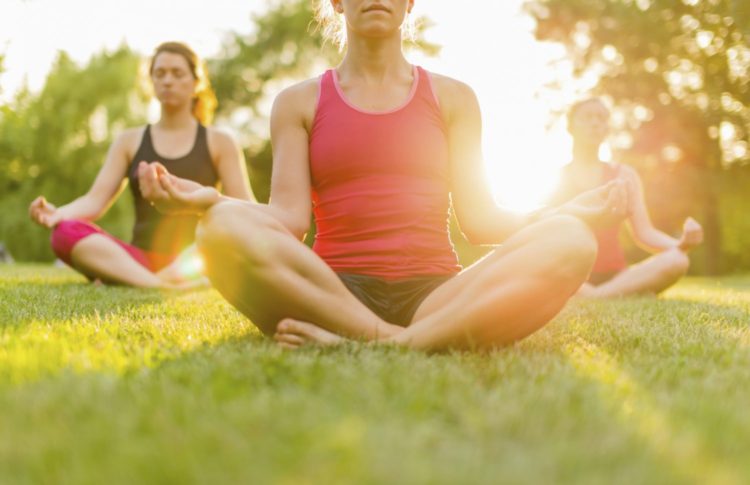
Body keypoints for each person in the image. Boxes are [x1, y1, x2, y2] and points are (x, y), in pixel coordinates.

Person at [139, 0, 627, 351]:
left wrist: (565, 211)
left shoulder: (455, 98)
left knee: (572, 239)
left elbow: (482, 220)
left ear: (410, 3)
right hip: (332, 293)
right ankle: (400, 341)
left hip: (436, 295)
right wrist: (207, 200)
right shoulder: (298, 102)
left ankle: (393, 343)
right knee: (220, 227)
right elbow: (287, 220)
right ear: (336, 3)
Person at [29, 42, 254, 288]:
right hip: (138, 260)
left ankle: (134, 280)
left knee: (230, 238)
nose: (168, 81)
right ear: (151, 82)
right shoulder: (129, 140)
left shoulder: (220, 142)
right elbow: (95, 200)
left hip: (198, 257)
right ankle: (159, 283)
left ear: (196, 82)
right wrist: (57, 214)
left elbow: (245, 209)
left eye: (177, 73)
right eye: (160, 74)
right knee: (64, 233)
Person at [550, 97, 703, 298]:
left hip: (618, 276)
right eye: (587, 117)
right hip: (571, 274)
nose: (595, 123)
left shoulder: (625, 175)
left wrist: (681, 244)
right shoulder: (555, 179)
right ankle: (607, 294)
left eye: (601, 118)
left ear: (607, 129)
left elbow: (644, 233)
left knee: (678, 260)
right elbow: (547, 237)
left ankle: (597, 296)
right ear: (570, 126)